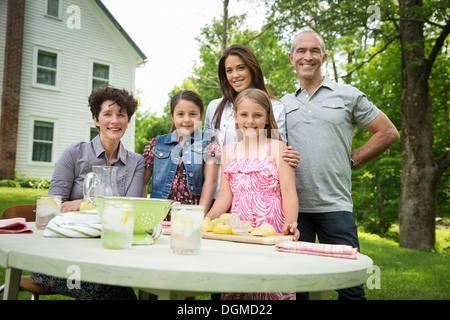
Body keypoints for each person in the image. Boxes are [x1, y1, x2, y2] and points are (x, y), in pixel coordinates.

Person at [282, 30, 400, 300]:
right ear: (291, 58)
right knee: (296, 289)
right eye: (301, 51)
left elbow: (388, 132)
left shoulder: (348, 95)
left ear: (324, 56)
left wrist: (352, 159)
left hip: (336, 207)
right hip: (293, 210)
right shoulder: (283, 104)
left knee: (350, 288)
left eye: (314, 51)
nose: (307, 56)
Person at [31, 85, 145, 300]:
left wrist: (84, 203)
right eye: (107, 114)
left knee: (143, 286)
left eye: (121, 115)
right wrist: (107, 207)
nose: (115, 121)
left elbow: (131, 209)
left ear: (128, 121)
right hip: (59, 260)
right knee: (118, 294)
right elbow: (51, 208)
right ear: (95, 119)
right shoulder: (74, 153)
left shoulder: (136, 162)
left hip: (112, 256)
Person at [206, 88, 299, 300]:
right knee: (239, 288)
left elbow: (289, 191)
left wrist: (291, 222)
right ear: (235, 117)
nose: (250, 121)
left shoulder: (277, 147)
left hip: (271, 227)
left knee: (270, 286)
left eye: (257, 115)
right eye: (244, 115)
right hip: (239, 228)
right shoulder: (229, 150)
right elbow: (225, 197)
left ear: (267, 118)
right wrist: (205, 220)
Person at [203, 44, 300, 204]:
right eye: (229, 70)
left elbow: (277, 153)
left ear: (252, 68)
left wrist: (290, 157)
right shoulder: (215, 107)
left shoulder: (274, 107)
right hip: (218, 197)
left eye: (241, 68)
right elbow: (211, 157)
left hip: (257, 199)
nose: (235, 75)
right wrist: (204, 207)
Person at [142, 90, 219, 214]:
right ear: (172, 116)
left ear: (201, 116)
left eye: (193, 114)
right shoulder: (157, 143)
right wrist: (145, 211)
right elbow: (142, 181)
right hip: (159, 213)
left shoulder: (209, 142)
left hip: (190, 213)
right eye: (181, 114)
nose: (187, 119)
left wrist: (199, 215)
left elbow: (211, 182)